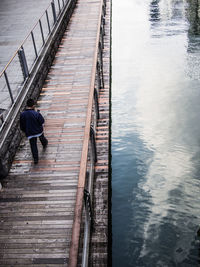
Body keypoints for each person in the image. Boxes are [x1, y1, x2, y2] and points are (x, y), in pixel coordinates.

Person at [20, 99, 48, 164]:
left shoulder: (22, 114)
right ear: (33, 106)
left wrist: (25, 131)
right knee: (41, 137)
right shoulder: (36, 113)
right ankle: (44, 143)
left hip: (29, 132)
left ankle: (36, 159)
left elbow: (22, 125)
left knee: (33, 145)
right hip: (38, 130)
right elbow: (42, 121)